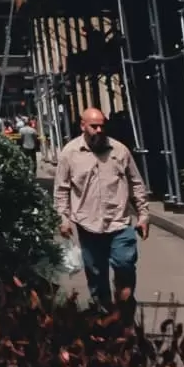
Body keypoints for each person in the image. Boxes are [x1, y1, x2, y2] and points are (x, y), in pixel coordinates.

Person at [55, 106, 150, 308]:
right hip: (88, 225)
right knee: (96, 275)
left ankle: (125, 311)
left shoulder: (120, 151)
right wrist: (63, 219)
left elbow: (136, 184)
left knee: (124, 264)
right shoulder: (69, 154)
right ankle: (105, 317)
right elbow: (62, 190)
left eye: (102, 126)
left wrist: (143, 215)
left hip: (119, 223)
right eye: (94, 126)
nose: (99, 130)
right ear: (83, 126)